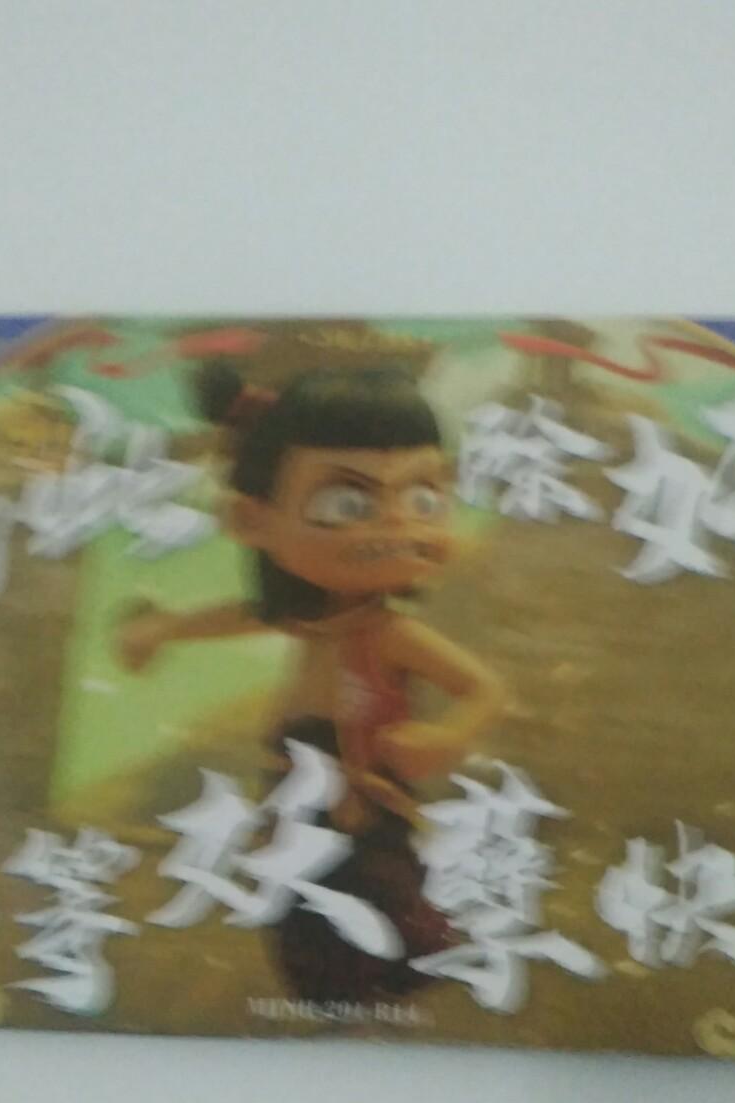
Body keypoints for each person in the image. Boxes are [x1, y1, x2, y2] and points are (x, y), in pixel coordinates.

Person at [116, 361, 506, 1002]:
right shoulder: (312, 620)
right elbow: (244, 617)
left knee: (377, 880)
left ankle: (391, 974)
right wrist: (167, 629)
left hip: (364, 776)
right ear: (251, 519)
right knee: (302, 880)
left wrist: (447, 737)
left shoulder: (390, 634)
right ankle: (322, 979)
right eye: (348, 504)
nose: (397, 525)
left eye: (423, 499)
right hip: (296, 770)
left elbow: (483, 689)